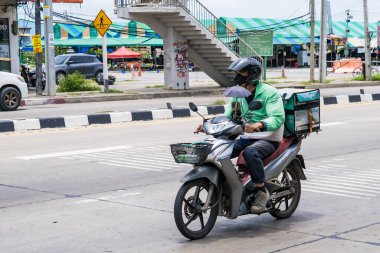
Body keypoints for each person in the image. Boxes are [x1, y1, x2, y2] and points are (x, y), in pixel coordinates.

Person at [197, 57, 285, 214]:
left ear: (252, 73)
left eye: (241, 72)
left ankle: (261, 191)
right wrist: (208, 125)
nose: (237, 76)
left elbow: (277, 118)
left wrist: (259, 125)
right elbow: (228, 116)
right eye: (236, 73)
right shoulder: (238, 95)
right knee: (217, 149)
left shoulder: (269, 93)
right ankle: (232, 183)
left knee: (250, 152)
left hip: (267, 137)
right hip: (246, 136)